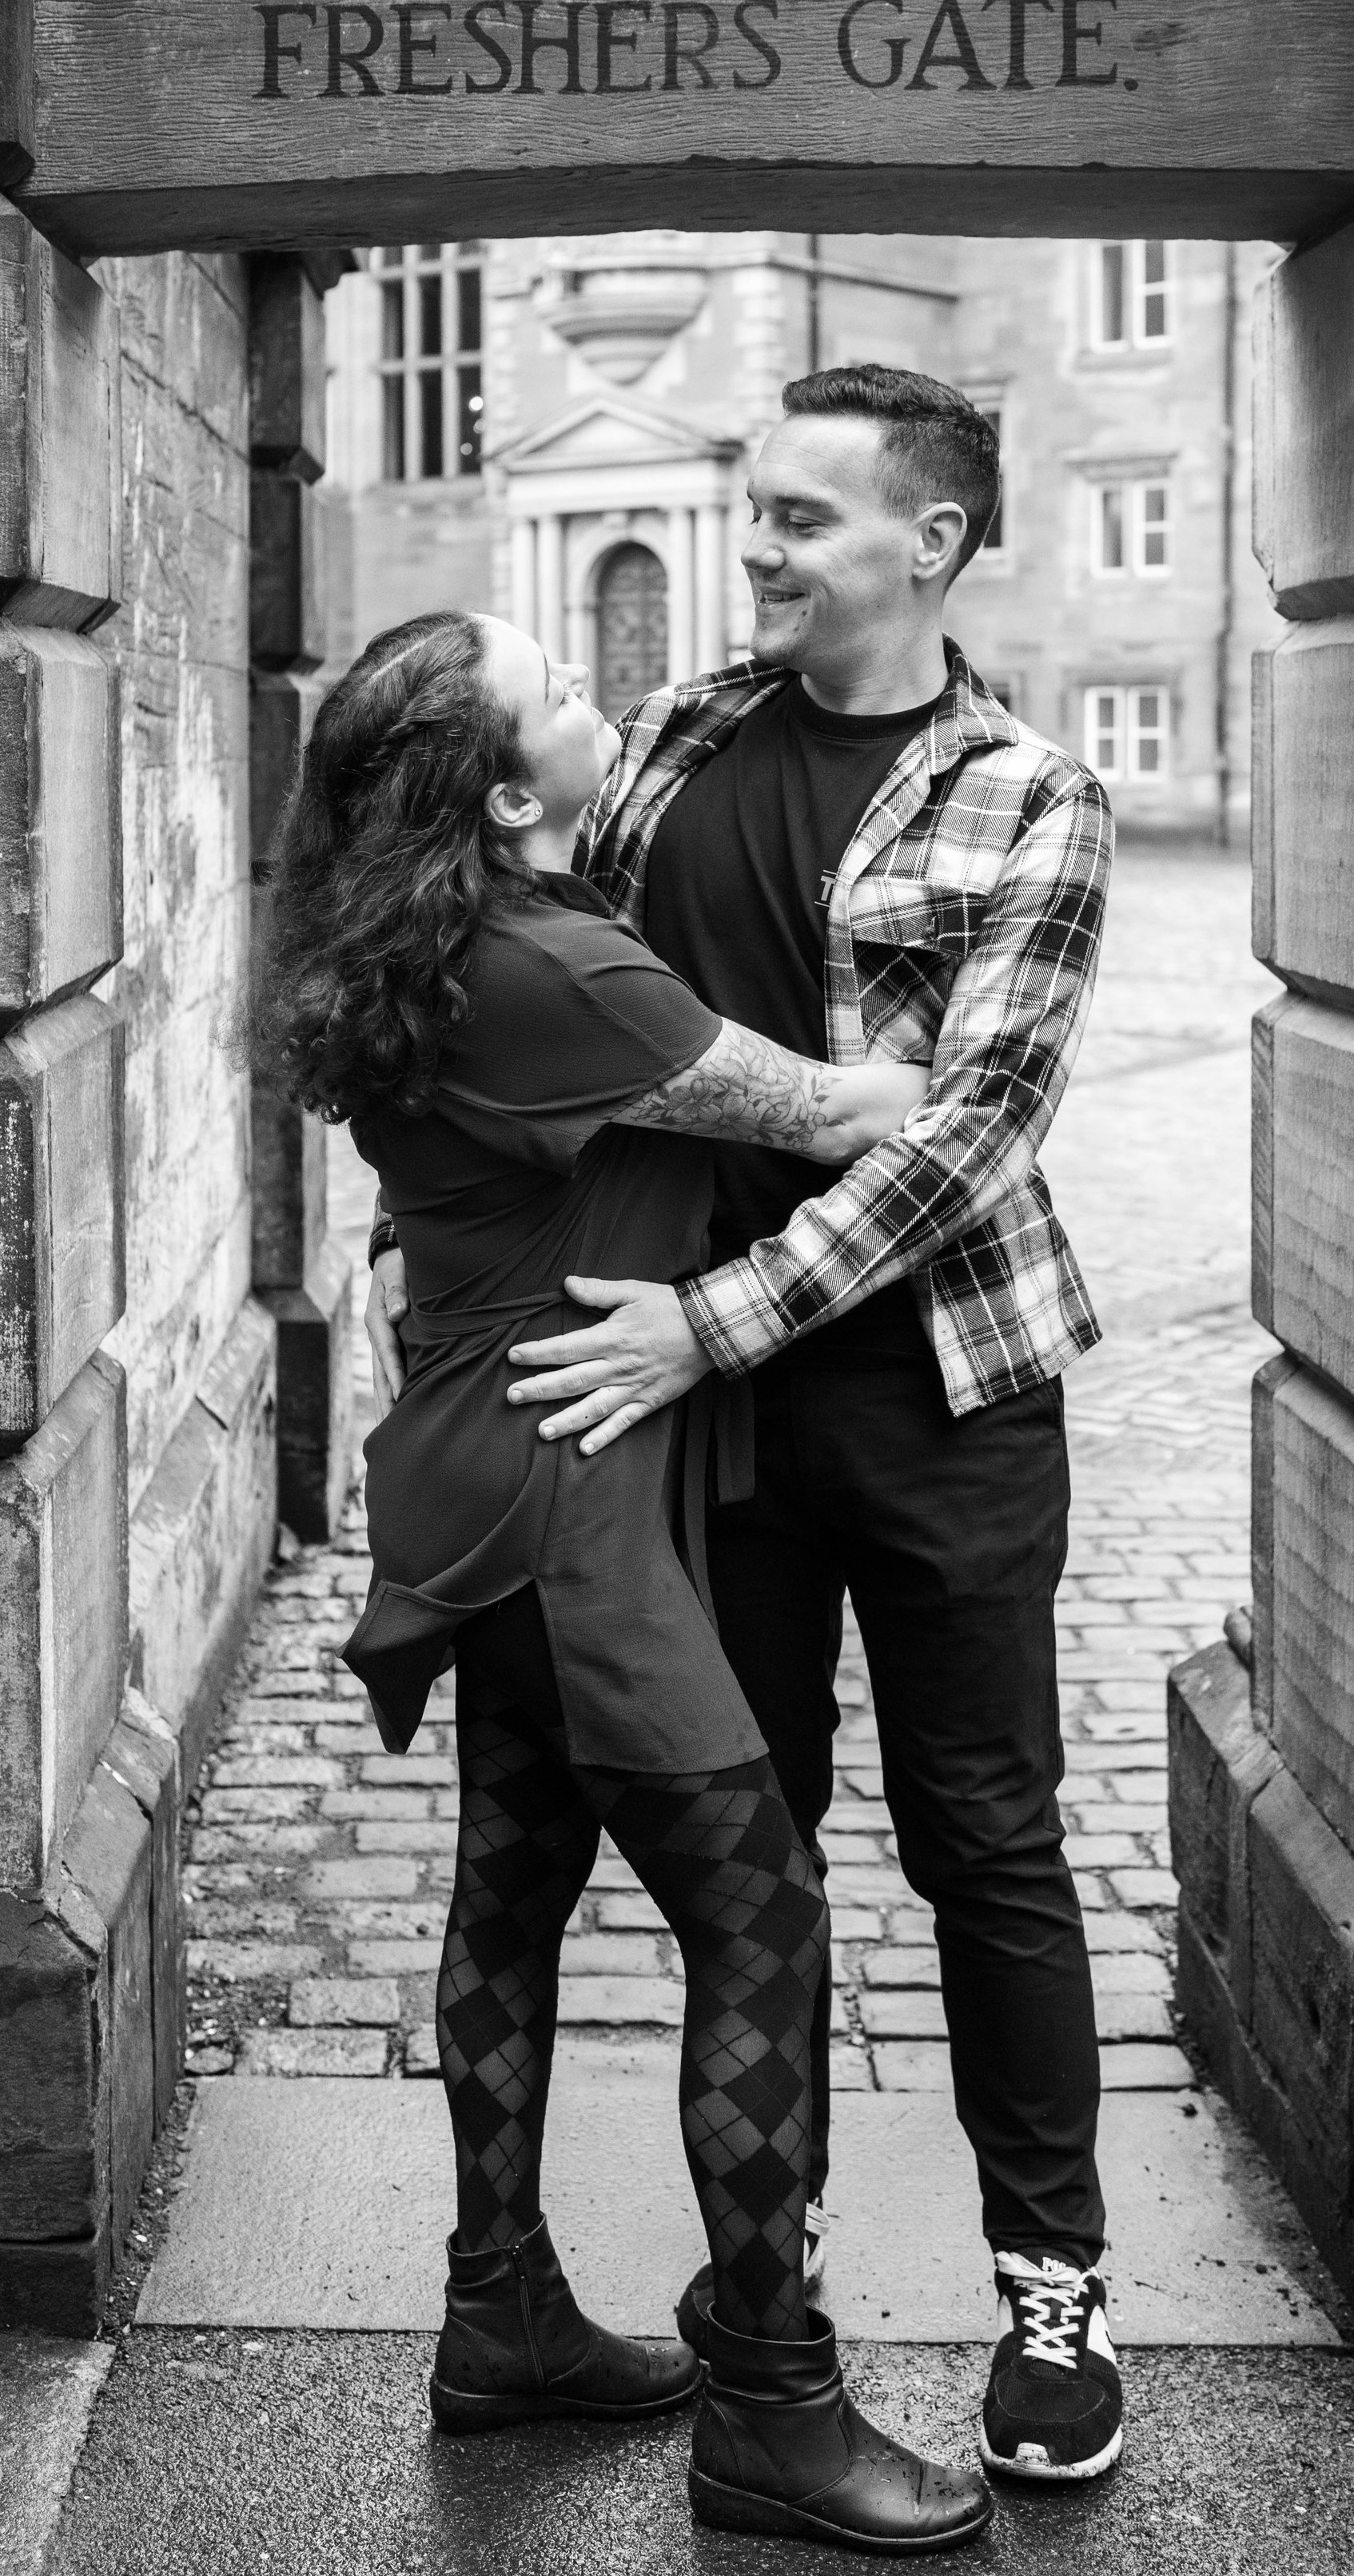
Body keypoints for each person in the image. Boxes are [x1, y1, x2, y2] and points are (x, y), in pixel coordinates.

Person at [368, 365, 1124, 2486]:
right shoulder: (682, 734)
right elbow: (527, 977)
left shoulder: (1030, 794)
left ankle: (1048, 2287)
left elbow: (963, 1141)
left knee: (986, 1833)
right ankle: (762, 2280)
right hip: (691, 1422)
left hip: (931, 1392)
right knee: (759, 1837)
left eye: (803, 513)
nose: (762, 543)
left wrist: (714, 1316)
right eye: (760, 508)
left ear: (933, 540)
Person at [254, 606, 993, 2554]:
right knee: (761, 1915)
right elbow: (844, 1109)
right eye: (562, 696)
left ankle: (497, 2314)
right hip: (568, 1483)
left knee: (513, 1874)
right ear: (506, 794)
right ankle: (769, 2399)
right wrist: (955, 1001)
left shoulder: (413, 933)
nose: (604, 701)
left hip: (476, 1450)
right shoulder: (554, 960)